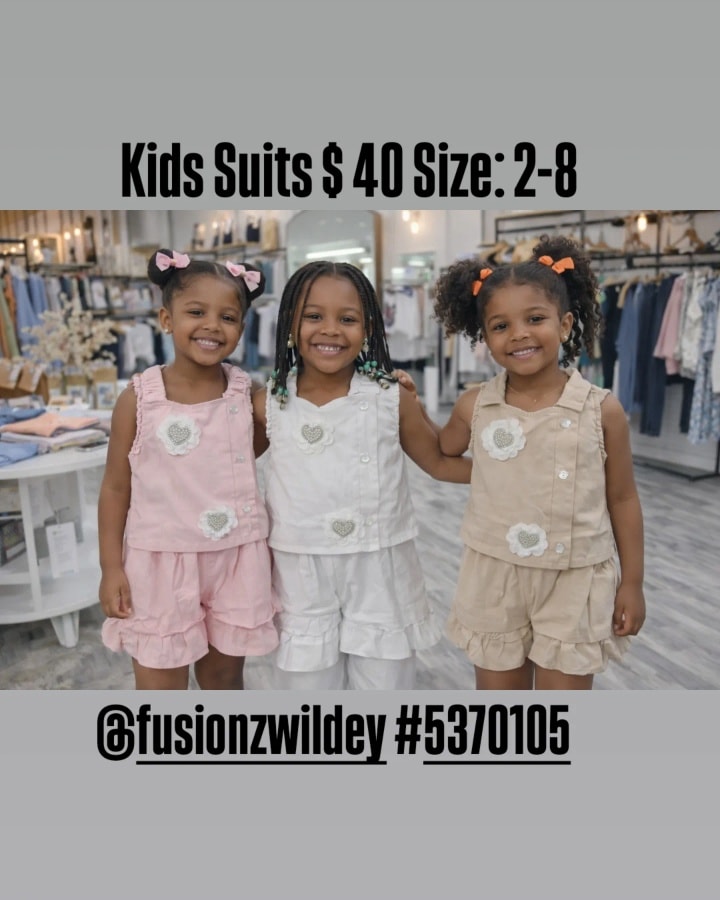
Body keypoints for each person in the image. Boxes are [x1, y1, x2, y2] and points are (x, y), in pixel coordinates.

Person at [432, 234, 646, 690]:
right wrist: (409, 404)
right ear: (484, 336)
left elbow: (623, 498)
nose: (519, 334)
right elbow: (443, 455)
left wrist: (633, 582)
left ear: (565, 324)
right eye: (500, 325)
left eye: (535, 319)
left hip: (575, 582)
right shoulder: (474, 406)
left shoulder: (602, 410)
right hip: (494, 577)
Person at [252, 261, 472, 690]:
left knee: (384, 682)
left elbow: (439, 462)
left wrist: (517, 470)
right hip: (300, 570)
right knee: (306, 683)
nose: (330, 330)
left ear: (369, 327)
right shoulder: (269, 403)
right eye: (314, 316)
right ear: (290, 323)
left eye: (348, 319)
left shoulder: (391, 397)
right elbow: (229, 468)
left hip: (380, 566)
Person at [99, 249, 278, 690]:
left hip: (235, 559)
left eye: (228, 317)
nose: (212, 326)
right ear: (166, 318)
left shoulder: (248, 396)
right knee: (160, 681)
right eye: (196, 312)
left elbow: (293, 420)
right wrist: (110, 567)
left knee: (224, 678)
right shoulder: (138, 399)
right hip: (160, 563)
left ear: (242, 328)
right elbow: (116, 488)